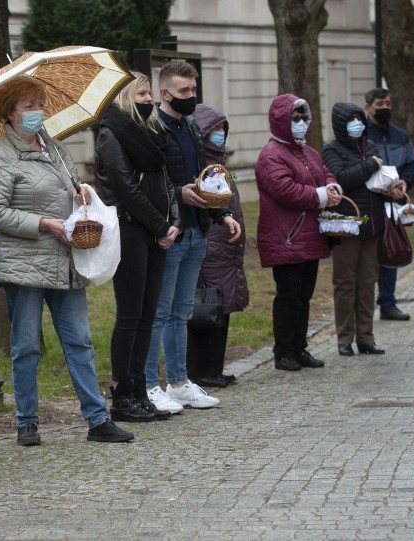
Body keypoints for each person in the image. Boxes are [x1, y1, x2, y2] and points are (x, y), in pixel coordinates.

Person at [0, 76, 134, 446]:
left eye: (40, 104)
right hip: (26, 263)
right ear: (10, 114)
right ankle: (27, 421)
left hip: (66, 258)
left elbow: (67, 190)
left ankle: (97, 419)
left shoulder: (57, 149)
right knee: (27, 345)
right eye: (29, 106)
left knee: (79, 340)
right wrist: (43, 224)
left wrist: (79, 193)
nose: (38, 112)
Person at [144, 60, 241, 409]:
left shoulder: (192, 127)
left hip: (197, 227)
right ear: (165, 92)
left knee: (182, 310)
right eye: (184, 91)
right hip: (170, 230)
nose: (190, 97)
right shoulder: (153, 127)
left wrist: (222, 213)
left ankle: (179, 381)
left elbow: (204, 180)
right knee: (160, 310)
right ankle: (148, 384)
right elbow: (150, 180)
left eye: (193, 90)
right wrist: (176, 192)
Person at [95, 71, 182, 421]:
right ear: (123, 98)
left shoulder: (153, 132)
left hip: (156, 232)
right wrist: (162, 226)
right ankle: (121, 395)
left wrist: (174, 221)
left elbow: (167, 180)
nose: (148, 99)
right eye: (141, 94)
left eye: (149, 94)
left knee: (148, 315)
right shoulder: (111, 135)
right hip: (130, 232)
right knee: (130, 315)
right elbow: (126, 188)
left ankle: (140, 387)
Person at [255, 94, 343, 371]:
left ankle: (299, 347)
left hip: (309, 235)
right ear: (281, 121)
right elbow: (285, 191)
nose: (301, 123)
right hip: (287, 237)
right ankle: (283, 351)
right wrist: (321, 195)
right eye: (295, 119)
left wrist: (332, 189)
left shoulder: (309, 152)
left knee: (304, 295)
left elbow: (326, 174)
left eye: (304, 118)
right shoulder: (271, 156)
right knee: (288, 296)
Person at [322, 102, 403, 357]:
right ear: (340, 124)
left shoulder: (369, 146)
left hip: (373, 225)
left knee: (368, 282)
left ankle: (366, 337)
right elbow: (342, 178)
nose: (357, 123)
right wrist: (371, 166)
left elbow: (377, 181)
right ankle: (344, 338)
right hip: (346, 226)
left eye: (359, 119)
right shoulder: (331, 150)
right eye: (352, 119)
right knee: (345, 283)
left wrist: (391, 189)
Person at [186, 104, 248, 388]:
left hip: (227, 249)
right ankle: (200, 370)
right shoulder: (201, 165)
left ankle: (215, 367)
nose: (220, 134)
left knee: (221, 308)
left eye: (223, 128)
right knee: (205, 307)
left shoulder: (221, 164)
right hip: (211, 247)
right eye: (214, 129)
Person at [364, 88, 414, 322]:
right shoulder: (362, 135)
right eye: (380, 103)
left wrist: (404, 182)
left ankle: (388, 302)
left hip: (394, 204)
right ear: (368, 107)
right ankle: (365, 307)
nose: (385, 107)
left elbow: (413, 163)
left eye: (388, 103)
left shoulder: (400, 135)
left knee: (391, 249)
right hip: (368, 202)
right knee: (368, 257)